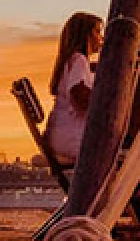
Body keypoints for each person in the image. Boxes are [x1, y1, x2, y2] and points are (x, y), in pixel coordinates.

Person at [41, 11, 101, 164]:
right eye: (98, 31)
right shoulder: (79, 60)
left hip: (59, 137)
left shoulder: (69, 61)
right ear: (86, 35)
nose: (101, 37)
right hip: (74, 138)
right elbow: (79, 96)